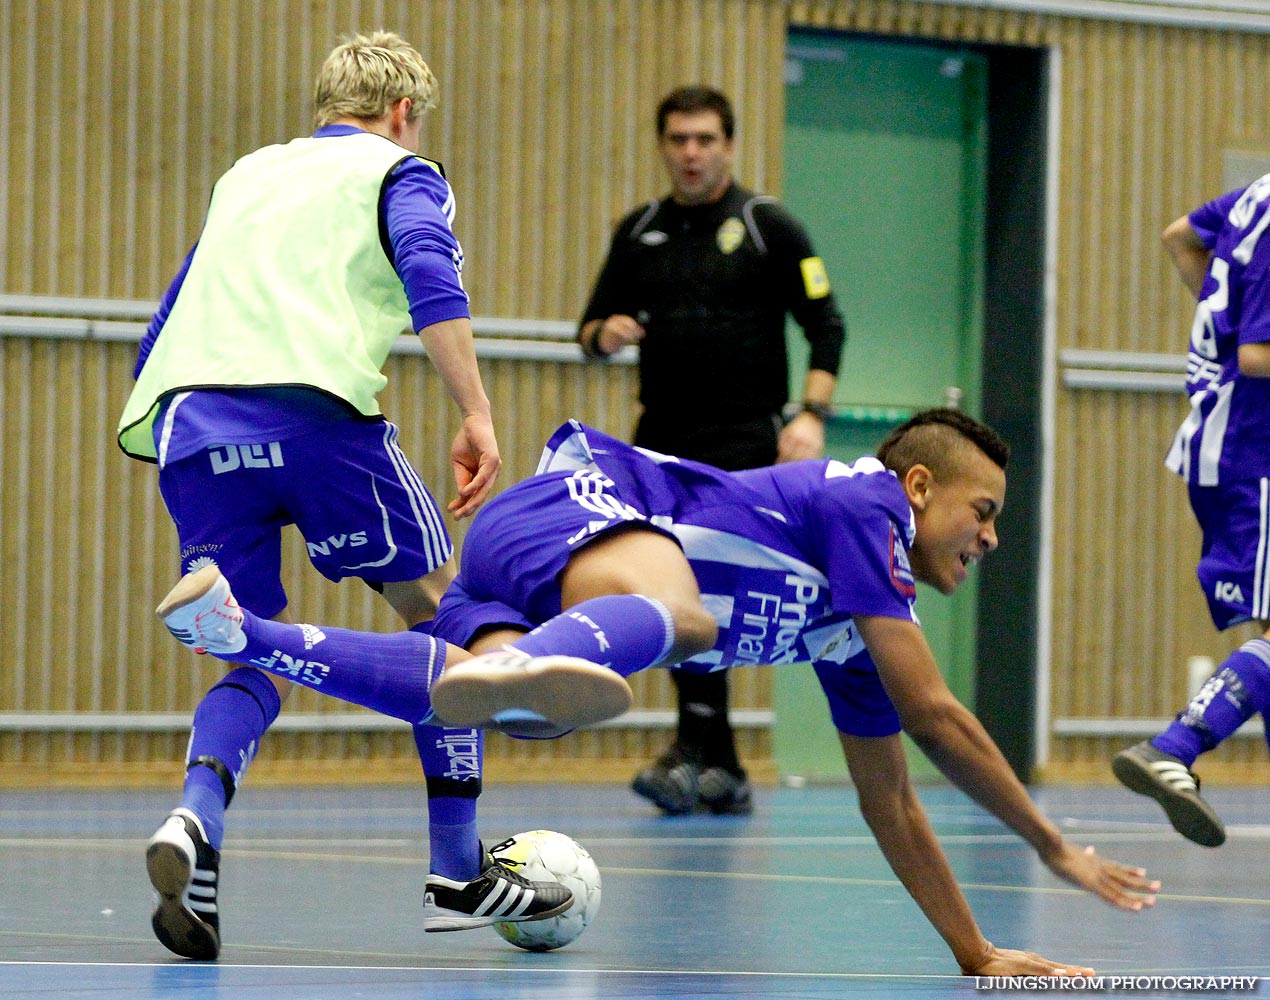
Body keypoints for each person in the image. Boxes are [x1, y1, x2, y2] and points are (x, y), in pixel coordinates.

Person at [163, 410, 1160, 976]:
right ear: (915, 487)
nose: (988, 537)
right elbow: (935, 713)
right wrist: (1051, 842)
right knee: (681, 618)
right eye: (980, 511)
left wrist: (975, 952)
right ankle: (526, 662)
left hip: (535, 563)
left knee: (462, 697)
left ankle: (239, 631)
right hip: (585, 504)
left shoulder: (849, 635)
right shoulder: (865, 505)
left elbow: (891, 801)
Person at [115, 31, 624, 960]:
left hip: (191, 426)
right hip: (315, 422)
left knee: (245, 651)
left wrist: (167, 435)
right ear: (403, 113)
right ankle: (458, 869)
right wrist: (476, 411)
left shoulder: (246, 177)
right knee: (449, 617)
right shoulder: (401, 170)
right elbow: (431, 272)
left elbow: (172, 310)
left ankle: (196, 823)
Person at [577, 85, 848, 816]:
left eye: (704, 140)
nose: (691, 154)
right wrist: (606, 335)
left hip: (741, 441)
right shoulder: (639, 231)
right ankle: (716, 757)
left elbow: (826, 324)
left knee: (709, 591)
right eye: (678, 141)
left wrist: (812, 416)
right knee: (663, 587)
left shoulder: (769, 227)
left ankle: (701, 747)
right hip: (659, 441)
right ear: (663, 146)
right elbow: (590, 327)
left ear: (727, 145)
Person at [1112, 177, 1270, 847]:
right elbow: (1259, 356)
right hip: (1253, 453)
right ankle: (1172, 747)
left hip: (1224, 448)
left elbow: (1181, 236)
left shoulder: (1255, 196)